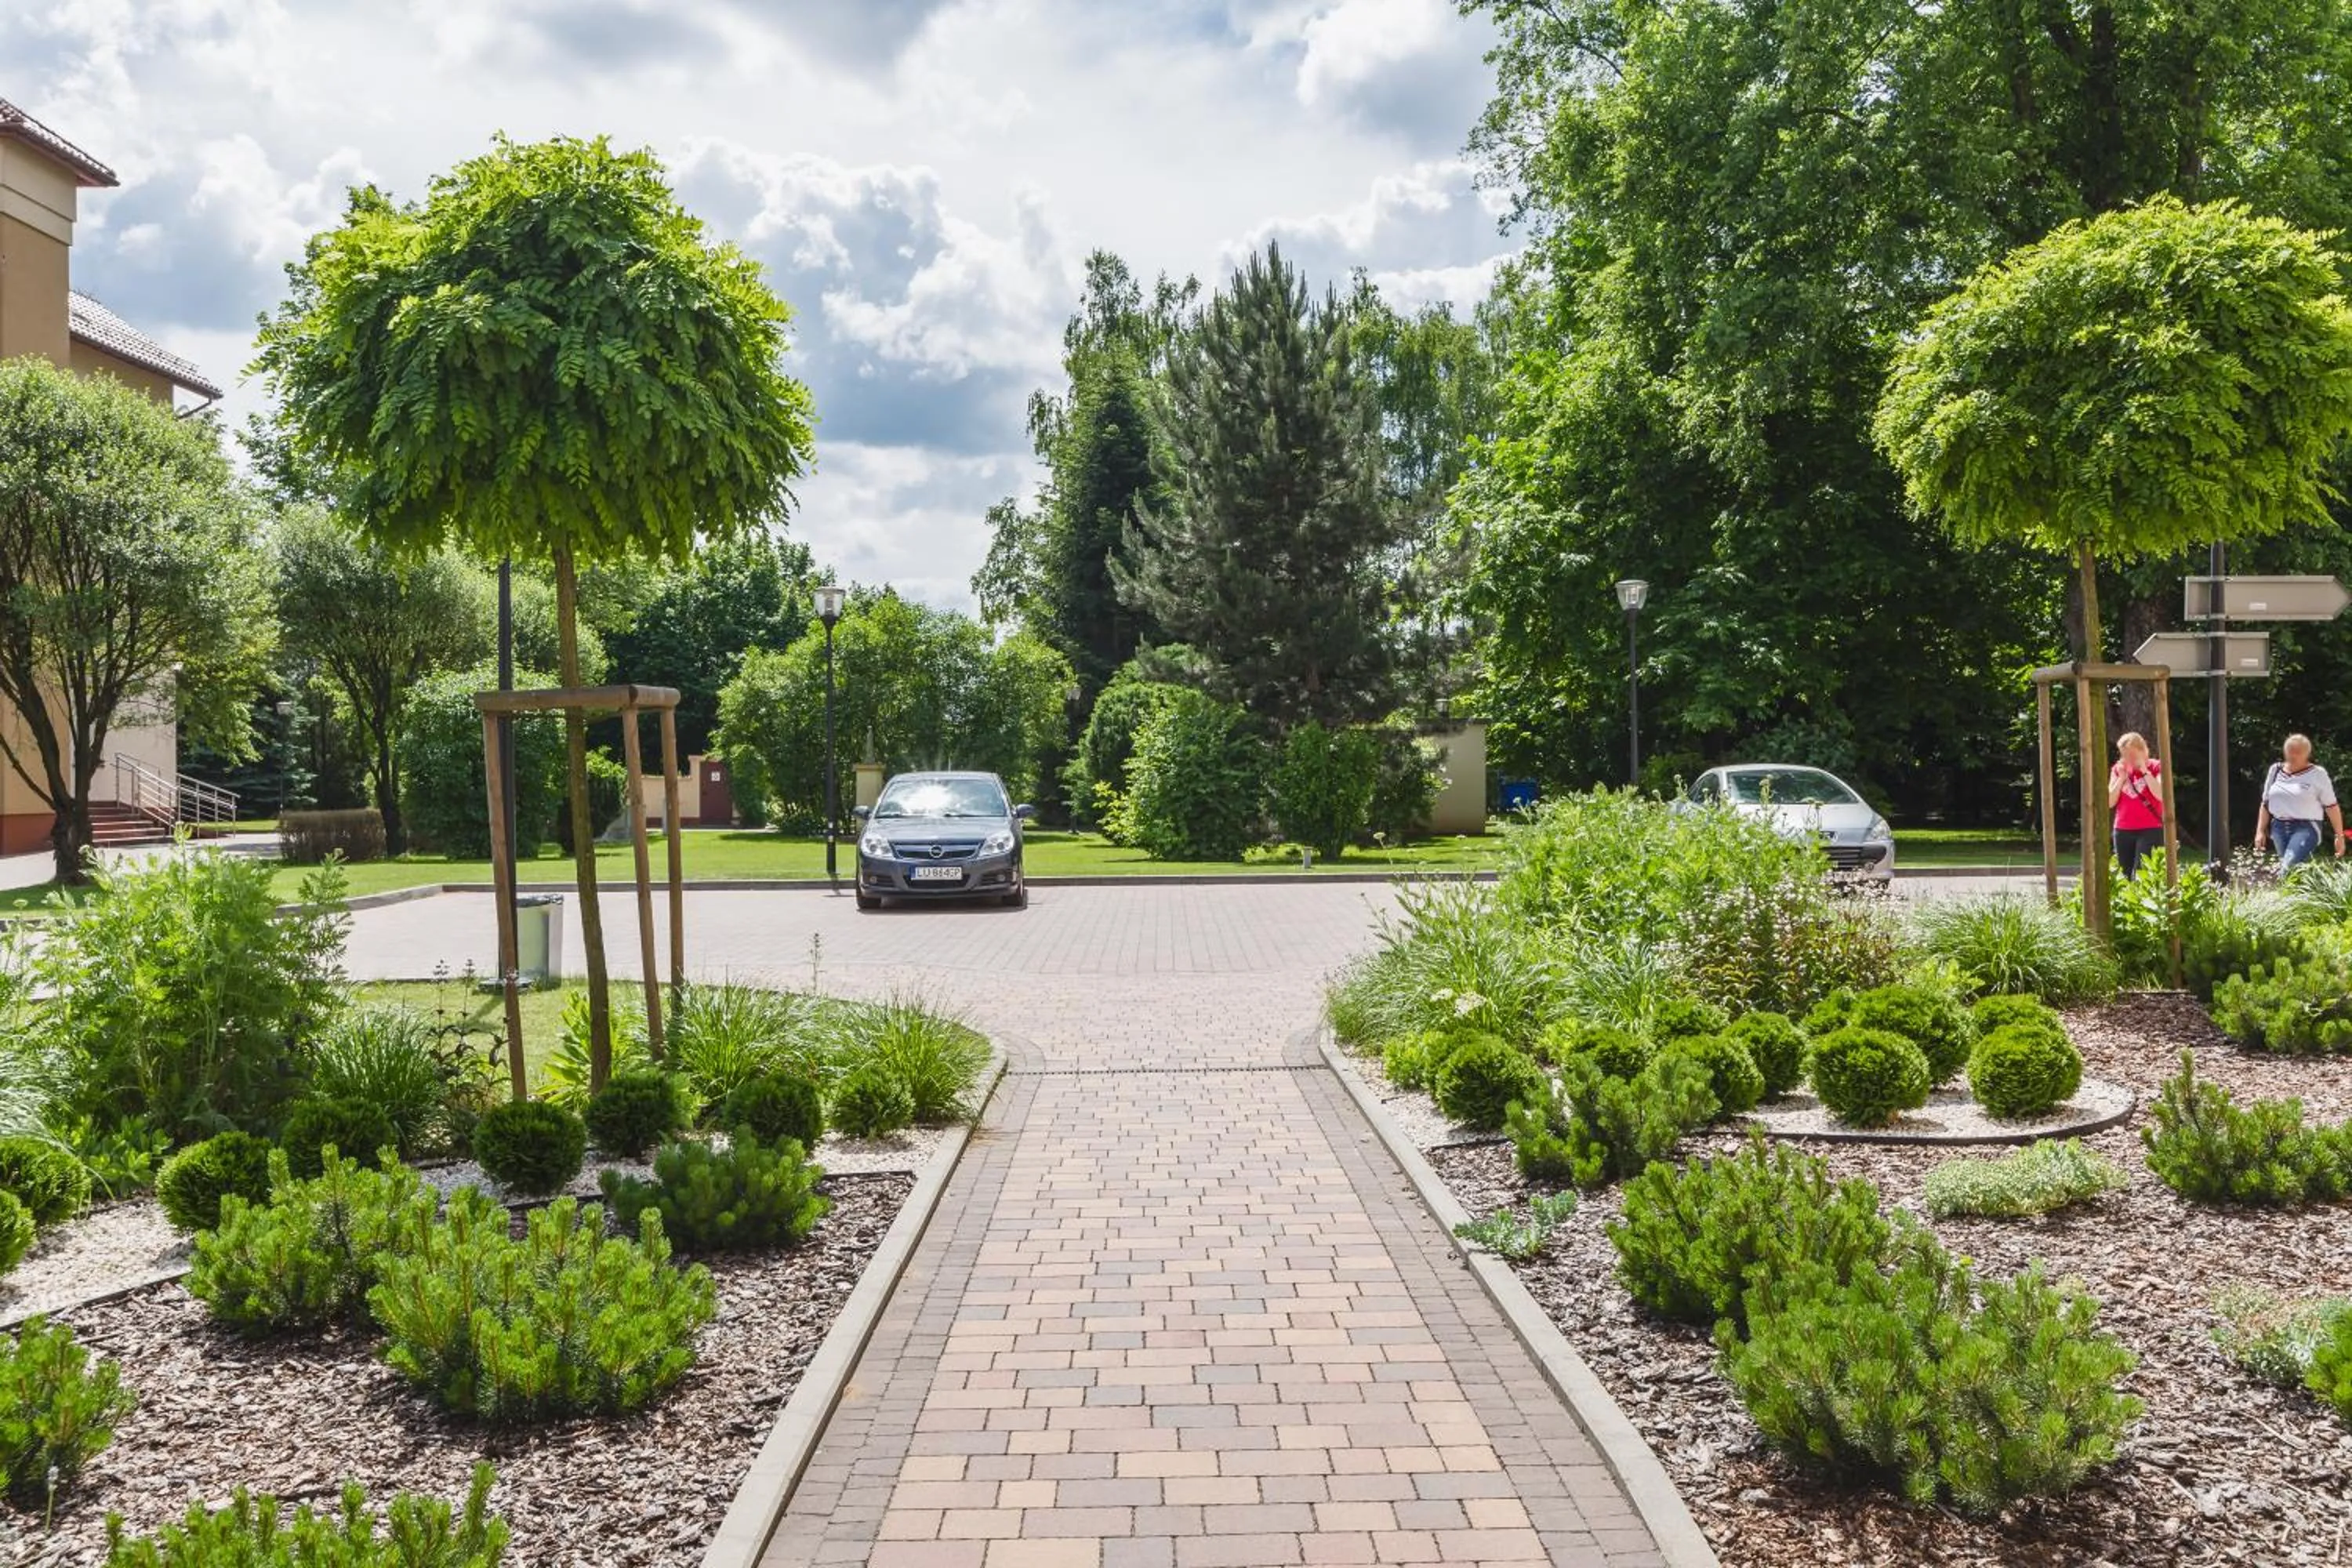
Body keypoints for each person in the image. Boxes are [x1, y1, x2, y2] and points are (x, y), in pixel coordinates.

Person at [2254, 733, 2345, 871]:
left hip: (2306, 827)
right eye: (2290, 751)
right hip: (2278, 827)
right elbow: (2266, 803)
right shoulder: (2275, 770)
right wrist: (2260, 831)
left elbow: (2331, 806)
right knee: (2293, 871)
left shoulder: (2318, 774)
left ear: (2307, 754)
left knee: (2287, 868)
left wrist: (2339, 836)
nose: (2293, 756)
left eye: (2298, 752)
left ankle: (2282, 892)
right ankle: (2300, 892)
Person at [2107, 732, 2165, 880]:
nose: (2128, 759)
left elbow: (2161, 794)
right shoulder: (2118, 769)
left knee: (2143, 874)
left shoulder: (2156, 766)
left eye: (2132, 755)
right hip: (2123, 829)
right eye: (2124, 755)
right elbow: (2109, 802)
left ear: (2143, 750)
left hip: (2150, 829)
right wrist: (2121, 779)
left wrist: (2145, 771)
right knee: (2124, 875)